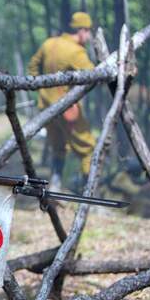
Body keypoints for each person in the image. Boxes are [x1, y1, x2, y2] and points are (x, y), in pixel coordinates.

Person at [28, 11, 96, 191]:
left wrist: (41, 89)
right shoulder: (76, 51)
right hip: (67, 110)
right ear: (81, 30)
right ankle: (88, 192)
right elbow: (93, 74)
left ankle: (55, 188)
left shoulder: (49, 43)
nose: (88, 36)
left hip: (45, 107)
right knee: (88, 149)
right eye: (88, 32)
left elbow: (33, 67)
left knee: (58, 148)